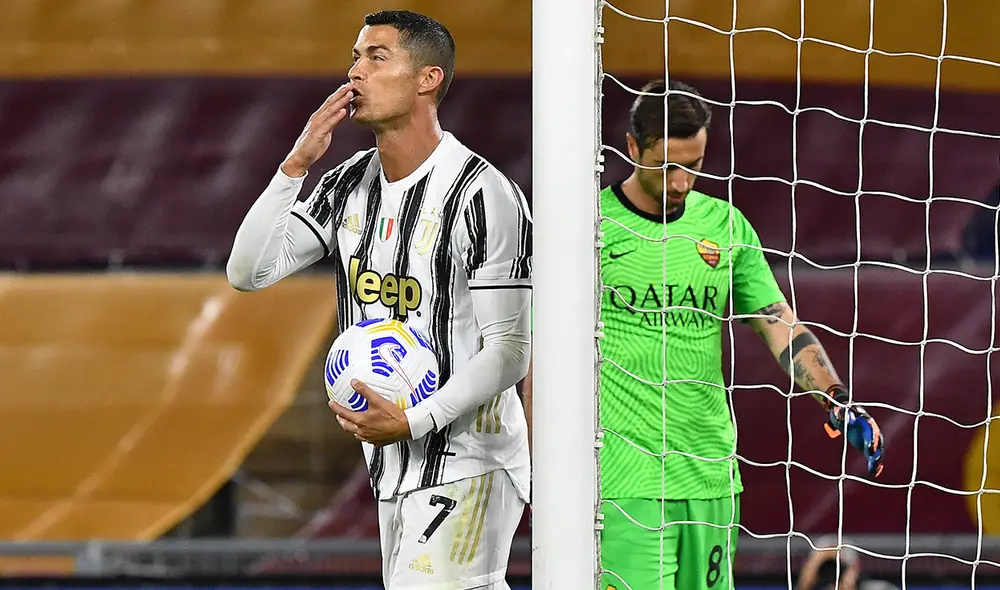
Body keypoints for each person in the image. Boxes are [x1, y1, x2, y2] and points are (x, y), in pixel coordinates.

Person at [521, 79, 886, 590]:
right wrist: (539, 467)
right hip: (624, 479)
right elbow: (540, 356)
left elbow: (779, 323)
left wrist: (836, 398)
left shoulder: (724, 225)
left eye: (693, 165)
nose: (680, 181)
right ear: (631, 148)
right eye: (667, 165)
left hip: (711, 472)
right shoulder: (588, 227)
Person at [226, 10, 532, 590]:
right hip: (391, 460)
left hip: (468, 457)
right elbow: (248, 271)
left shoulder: (482, 194)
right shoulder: (349, 182)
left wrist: (415, 420)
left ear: (427, 79)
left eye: (376, 57)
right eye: (355, 57)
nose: (355, 72)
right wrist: (295, 166)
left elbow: (511, 350)